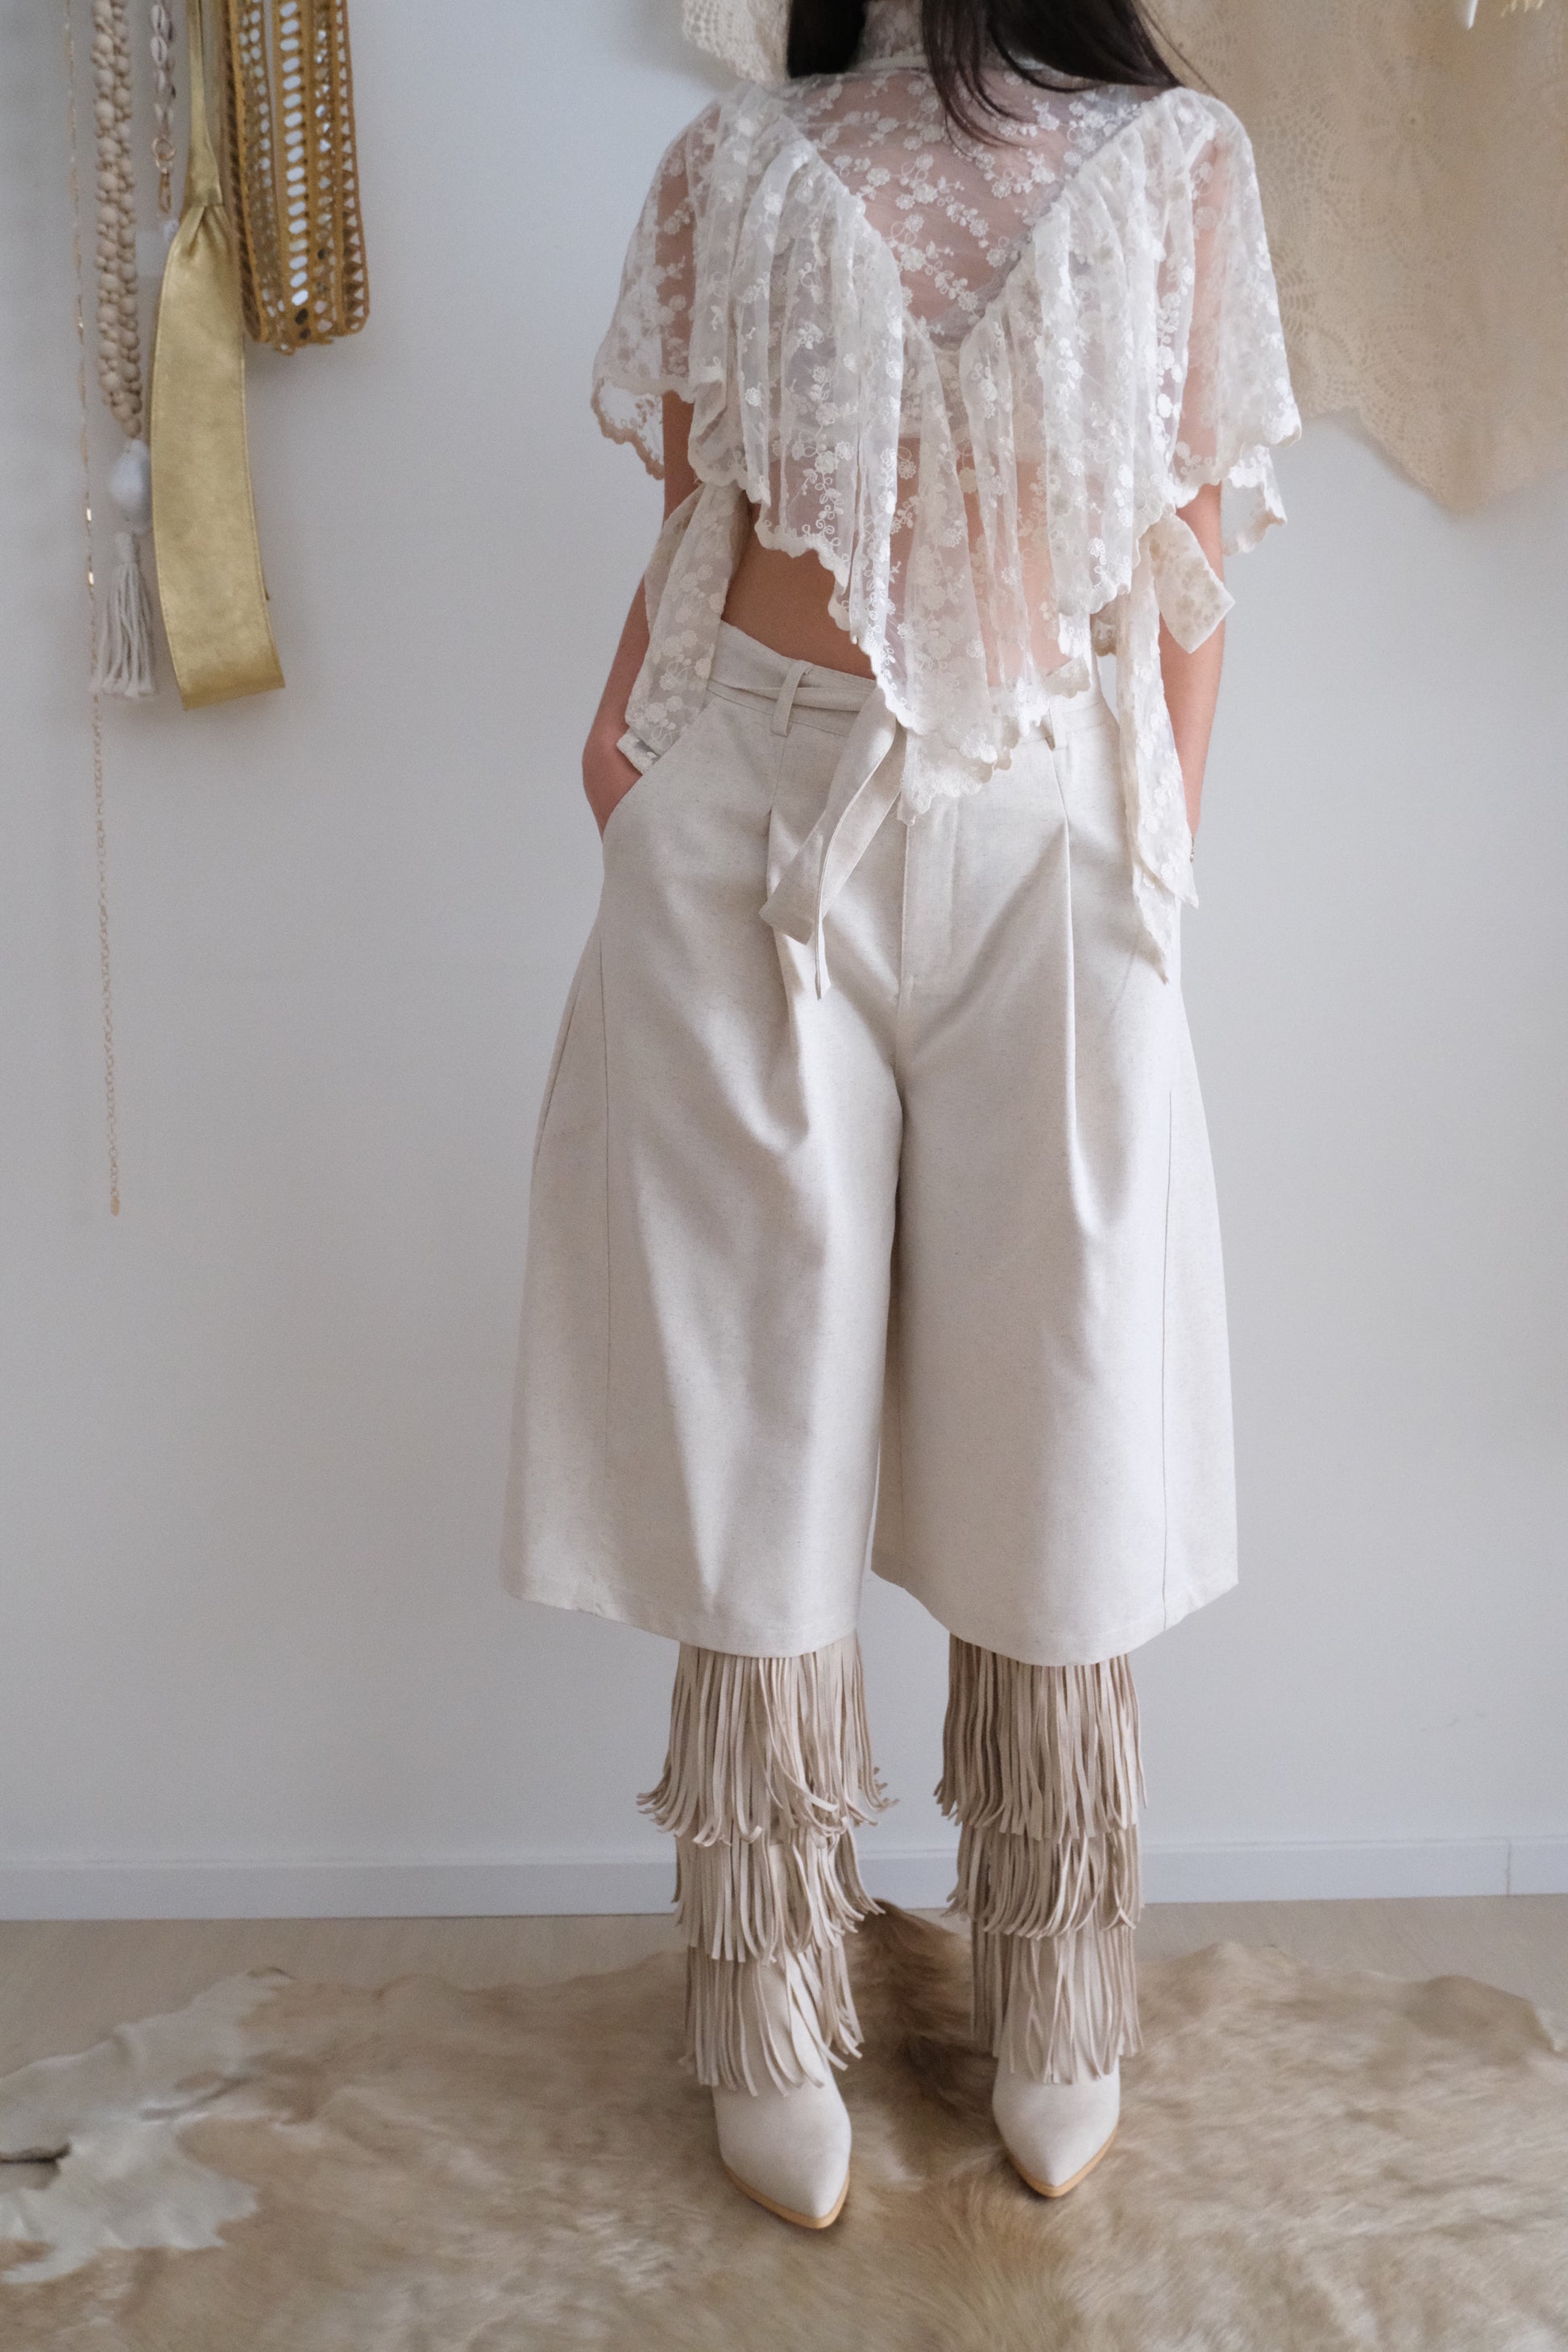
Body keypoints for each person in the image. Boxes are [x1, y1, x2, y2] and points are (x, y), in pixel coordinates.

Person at [502, 0, 1299, 2228]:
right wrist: (626, 766)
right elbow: (697, 510)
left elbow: (1192, 552)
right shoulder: (736, 165)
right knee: (746, 1398)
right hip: (755, 805)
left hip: (1056, 814)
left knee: (1064, 1391)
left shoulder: (1178, 166)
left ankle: (1059, 1973)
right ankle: (766, 1994)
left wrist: (1158, 857)